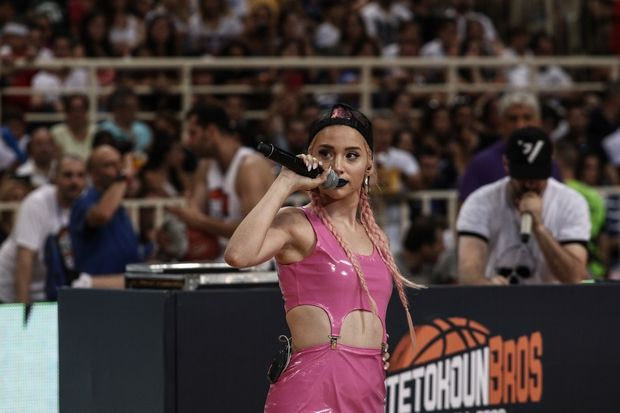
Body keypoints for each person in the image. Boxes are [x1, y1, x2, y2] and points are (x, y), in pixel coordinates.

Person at [224, 103, 418, 412]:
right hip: (312, 388)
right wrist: (285, 182)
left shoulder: (376, 235)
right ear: (310, 159)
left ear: (369, 163)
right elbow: (237, 254)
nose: (337, 166)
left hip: (368, 389)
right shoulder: (296, 223)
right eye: (326, 153)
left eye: (351, 155)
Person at [457, 127, 590, 285]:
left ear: (551, 164)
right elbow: (468, 275)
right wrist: (488, 287)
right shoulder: (480, 201)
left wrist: (540, 228)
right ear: (506, 164)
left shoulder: (571, 202)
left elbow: (575, 278)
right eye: (523, 175)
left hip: (555, 297)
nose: (529, 184)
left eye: (537, 176)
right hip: (497, 296)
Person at [166, 103, 273, 261]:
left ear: (211, 131)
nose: (188, 141)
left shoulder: (250, 166)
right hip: (222, 259)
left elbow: (255, 232)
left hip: (256, 264)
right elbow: (194, 214)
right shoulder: (205, 166)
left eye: (193, 133)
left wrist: (201, 221)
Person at [0, 155, 85, 303]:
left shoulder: (85, 204)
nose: (74, 181)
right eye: (68, 175)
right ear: (55, 178)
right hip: (9, 292)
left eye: (80, 175)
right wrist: (22, 310)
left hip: (46, 292)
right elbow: (24, 260)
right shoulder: (36, 203)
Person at [458, 91, 561, 202]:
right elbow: (466, 207)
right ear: (501, 123)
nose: (520, 125)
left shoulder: (548, 162)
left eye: (527, 118)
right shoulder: (481, 163)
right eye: (512, 119)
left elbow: (559, 203)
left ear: (538, 122)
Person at [68, 144, 138, 287]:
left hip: (123, 287)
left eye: (119, 163)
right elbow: (102, 215)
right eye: (109, 165)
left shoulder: (118, 205)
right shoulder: (85, 200)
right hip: (96, 289)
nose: (118, 170)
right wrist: (123, 178)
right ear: (92, 173)